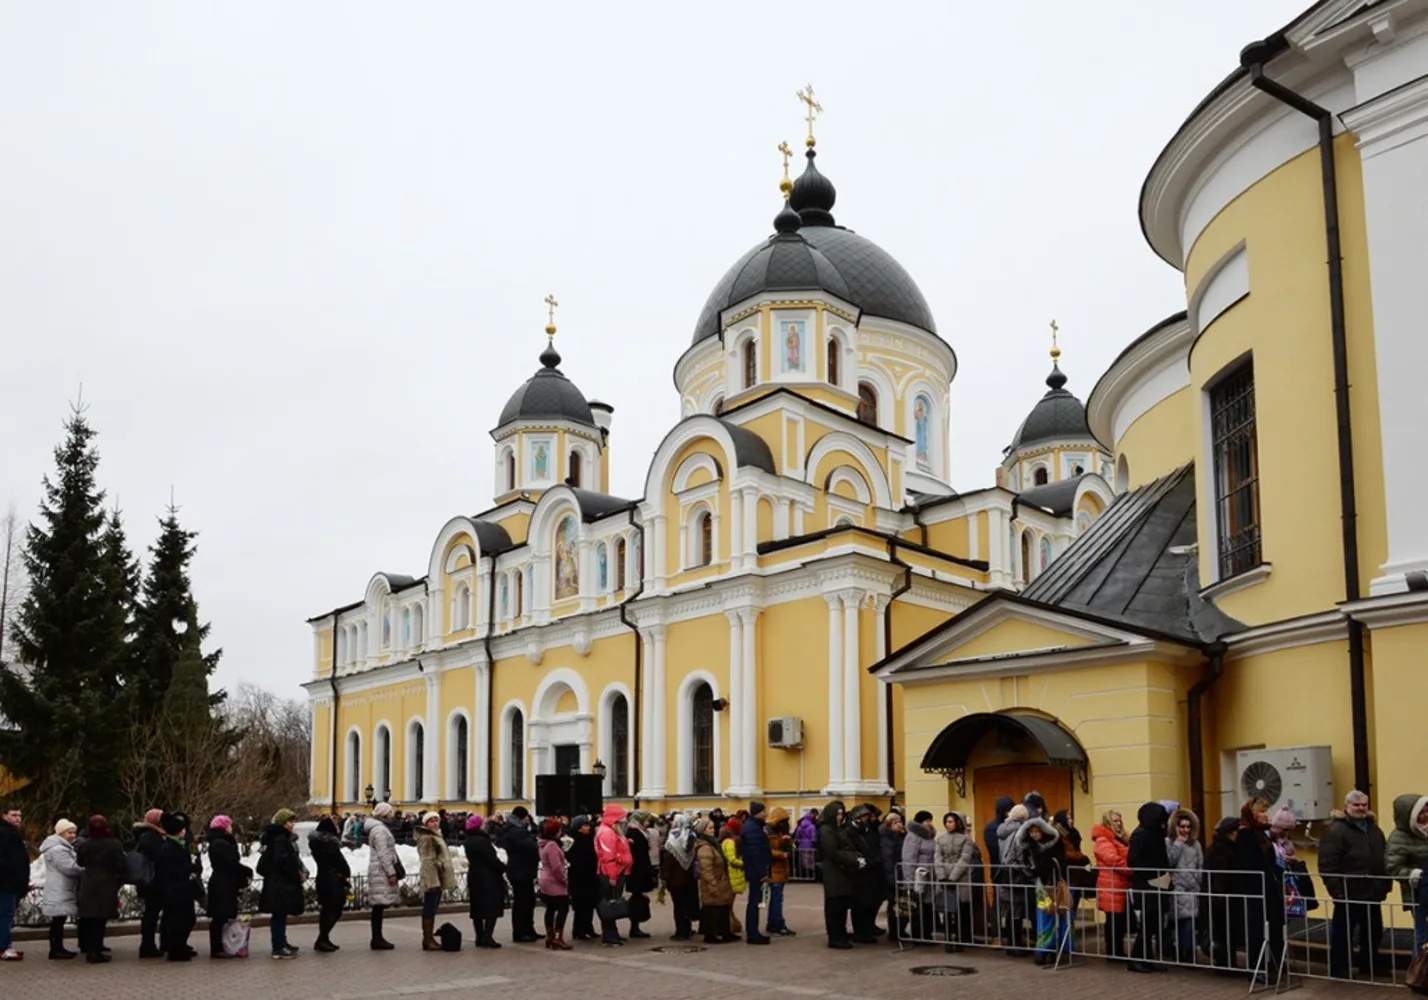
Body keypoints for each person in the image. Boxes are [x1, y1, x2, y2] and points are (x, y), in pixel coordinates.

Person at [1319, 789, 1389, 980]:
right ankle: (1339, 970)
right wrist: (1337, 891)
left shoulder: (1374, 830)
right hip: (1348, 893)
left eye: (1364, 805)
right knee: (1343, 935)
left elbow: (1383, 857)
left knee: (1373, 932)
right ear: (1346, 806)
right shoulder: (1335, 831)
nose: (1360, 808)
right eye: (1356, 805)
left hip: (1372, 892)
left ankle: (1369, 965)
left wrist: (1385, 885)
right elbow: (1327, 864)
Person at [1234, 798, 1283, 983]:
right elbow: (1247, 865)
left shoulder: (1263, 834)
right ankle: (1257, 968)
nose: (1266, 815)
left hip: (1269, 889)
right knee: (1257, 931)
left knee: (1273, 928)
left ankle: (1274, 965)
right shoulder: (1246, 835)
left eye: (1266, 811)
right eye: (1262, 811)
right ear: (1253, 814)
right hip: (1255, 891)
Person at [74, 815, 126, 963]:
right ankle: (96, 950)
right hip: (107, 882)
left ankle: (88, 947)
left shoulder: (85, 844)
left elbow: (80, 862)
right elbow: (120, 864)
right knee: (100, 918)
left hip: (89, 881)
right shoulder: (114, 844)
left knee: (89, 917)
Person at [258, 808, 304, 960]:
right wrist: (296, 875)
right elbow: (283, 862)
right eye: (289, 822)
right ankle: (278, 946)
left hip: (278, 883)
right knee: (278, 915)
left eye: (293, 822)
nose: (292, 825)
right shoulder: (279, 840)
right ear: (282, 823)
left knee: (281, 915)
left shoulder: (278, 838)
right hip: (279, 884)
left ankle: (282, 942)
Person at [816, 799, 862, 949]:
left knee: (842, 905)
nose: (840, 817)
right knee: (835, 906)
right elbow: (832, 852)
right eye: (838, 814)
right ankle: (835, 936)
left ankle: (840, 933)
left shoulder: (836, 829)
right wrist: (853, 859)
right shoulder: (826, 830)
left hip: (841, 872)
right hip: (834, 873)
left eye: (842, 814)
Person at [1386, 792, 1428, 951]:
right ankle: (1418, 973)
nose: (1425, 816)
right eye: (1420, 813)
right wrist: (1416, 875)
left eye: (1426, 811)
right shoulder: (1399, 838)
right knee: (1423, 937)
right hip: (1418, 894)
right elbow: (1393, 867)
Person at [155, 812, 199, 962]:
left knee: (185, 918)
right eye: (182, 829)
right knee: (178, 920)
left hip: (181, 889)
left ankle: (179, 946)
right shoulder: (169, 848)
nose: (185, 832)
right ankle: (175, 949)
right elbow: (170, 871)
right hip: (175, 890)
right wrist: (189, 868)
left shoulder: (178, 845)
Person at [206, 815, 251, 958]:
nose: (231, 828)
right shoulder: (221, 844)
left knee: (224, 916)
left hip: (225, 882)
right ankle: (217, 948)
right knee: (220, 917)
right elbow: (231, 863)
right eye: (229, 825)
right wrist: (246, 871)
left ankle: (224, 945)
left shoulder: (220, 842)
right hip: (223, 884)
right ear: (224, 827)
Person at [1205, 815, 1245, 970]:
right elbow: (1220, 875)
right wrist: (1219, 894)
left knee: (1227, 931)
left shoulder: (1221, 847)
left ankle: (1228, 962)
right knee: (1223, 931)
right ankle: (1224, 964)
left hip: (1223, 895)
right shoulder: (1221, 850)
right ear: (1230, 832)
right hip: (1222, 895)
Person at [1092, 811, 1132, 959]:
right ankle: (1114, 951)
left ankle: (1117, 950)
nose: (1118, 823)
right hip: (1111, 885)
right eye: (1115, 821)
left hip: (1120, 884)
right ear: (1107, 823)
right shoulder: (1103, 840)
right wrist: (1131, 870)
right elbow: (1113, 860)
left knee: (1119, 921)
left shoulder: (1121, 838)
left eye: (1119, 820)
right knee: (1114, 921)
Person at [464, 814, 507, 948]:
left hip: (474, 876)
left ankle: (479, 936)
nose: (485, 826)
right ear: (478, 826)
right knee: (491, 907)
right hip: (488, 877)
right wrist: (503, 868)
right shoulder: (482, 841)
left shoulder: (469, 840)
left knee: (477, 908)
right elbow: (491, 860)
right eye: (482, 824)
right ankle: (487, 936)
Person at [40, 818, 80, 959]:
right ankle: (56, 949)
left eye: (74, 832)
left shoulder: (59, 847)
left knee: (59, 921)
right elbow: (69, 868)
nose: (73, 835)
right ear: (61, 833)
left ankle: (58, 948)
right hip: (60, 888)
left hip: (59, 887)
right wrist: (85, 870)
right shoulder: (58, 850)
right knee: (58, 921)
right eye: (69, 832)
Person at [1167, 808, 1204, 965]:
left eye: (1188, 827)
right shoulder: (1169, 842)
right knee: (1182, 923)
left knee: (1189, 924)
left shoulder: (1196, 845)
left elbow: (1200, 865)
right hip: (1178, 889)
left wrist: (1199, 882)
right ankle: (1183, 955)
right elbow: (1170, 861)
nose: (1185, 830)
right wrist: (1178, 843)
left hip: (1193, 890)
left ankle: (1188, 955)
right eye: (1182, 826)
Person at [997, 802, 1033, 956]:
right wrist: (1028, 871)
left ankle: (1012, 943)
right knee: (1017, 911)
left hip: (1005, 874)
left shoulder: (1003, 830)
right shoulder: (1019, 832)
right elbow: (1017, 856)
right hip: (1016, 876)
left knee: (1010, 911)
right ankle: (1015, 945)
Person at [694, 816, 737, 944]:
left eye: (713, 828)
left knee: (723, 906)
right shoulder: (705, 847)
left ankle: (725, 932)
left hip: (720, 880)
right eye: (710, 828)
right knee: (712, 908)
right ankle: (711, 935)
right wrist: (712, 884)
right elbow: (706, 869)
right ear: (703, 830)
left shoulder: (713, 844)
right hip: (713, 882)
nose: (713, 830)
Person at [415, 810, 453, 951]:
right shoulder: (427, 838)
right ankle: (428, 938)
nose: (435, 823)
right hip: (432, 876)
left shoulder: (436, 835)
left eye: (436, 820)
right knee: (429, 907)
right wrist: (440, 864)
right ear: (426, 823)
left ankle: (429, 938)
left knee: (433, 906)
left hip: (437, 875)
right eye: (431, 821)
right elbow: (427, 859)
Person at [595, 803, 633, 946]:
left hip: (617, 872)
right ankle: (609, 936)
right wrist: (612, 876)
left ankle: (612, 933)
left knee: (613, 903)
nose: (623, 822)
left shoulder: (611, 831)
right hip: (611, 874)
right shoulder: (606, 833)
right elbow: (608, 857)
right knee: (609, 905)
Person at [503, 806, 541, 943]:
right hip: (520, 872)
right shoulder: (516, 832)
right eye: (526, 818)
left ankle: (529, 930)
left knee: (528, 901)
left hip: (522, 871)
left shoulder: (515, 830)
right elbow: (532, 847)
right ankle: (520, 932)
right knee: (522, 903)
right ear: (522, 817)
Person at [133, 807, 166, 958]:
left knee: (151, 913)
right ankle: (148, 946)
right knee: (151, 913)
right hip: (153, 881)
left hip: (150, 880)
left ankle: (149, 945)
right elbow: (159, 857)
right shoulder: (152, 837)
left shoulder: (146, 835)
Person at [366, 802, 401, 950]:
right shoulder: (379, 830)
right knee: (378, 906)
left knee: (379, 906)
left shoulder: (378, 828)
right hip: (380, 871)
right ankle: (376, 938)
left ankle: (377, 937)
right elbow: (383, 853)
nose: (392, 816)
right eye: (390, 813)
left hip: (379, 870)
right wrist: (391, 872)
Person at [661, 814, 699, 941]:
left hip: (676, 880)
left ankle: (681, 931)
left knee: (679, 906)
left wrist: (664, 877)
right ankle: (688, 928)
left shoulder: (673, 839)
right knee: (687, 904)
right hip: (689, 879)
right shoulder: (690, 837)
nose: (672, 823)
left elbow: (668, 861)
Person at [901, 810, 938, 944]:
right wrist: (910, 881)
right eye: (926, 821)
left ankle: (927, 933)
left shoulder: (929, 837)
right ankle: (918, 935)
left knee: (927, 905)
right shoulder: (913, 837)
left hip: (929, 876)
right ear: (920, 822)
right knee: (918, 907)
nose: (929, 823)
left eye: (930, 820)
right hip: (918, 877)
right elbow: (908, 859)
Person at [740, 802, 772, 944]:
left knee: (756, 901)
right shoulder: (753, 829)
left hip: (754, 870)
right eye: (763, 811)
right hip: (755, 872)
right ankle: (752, 933)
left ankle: (754, 931)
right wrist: (762, 871)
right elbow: (755, 852)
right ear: (757, 812)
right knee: (754, 902)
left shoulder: (753, 826)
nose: (766, 814)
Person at [538, 817, 572, 949]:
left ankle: (550, 936)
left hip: (545, 878)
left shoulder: (542, 843)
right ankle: (558, 938)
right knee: (563, 908)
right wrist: (564, 880)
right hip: (554, 881)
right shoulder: (552, 845)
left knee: (551, 908)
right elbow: (556, 867)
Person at [566, 815, 600, 941]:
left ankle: (589, 928)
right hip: (578, 877)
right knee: (580, 905)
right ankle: (579, 930)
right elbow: (568, 858)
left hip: (590, 876)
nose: (588, 827)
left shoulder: (590, 839)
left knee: (590, 904)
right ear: (578, 828)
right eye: (585, 825)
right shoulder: (572, 841)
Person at [625, 810, 657, 939]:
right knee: (637, 899)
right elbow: (636, 853)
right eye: (646, 820)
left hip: (640, 869)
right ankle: (634, 927)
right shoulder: (633, 832)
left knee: (638, 898)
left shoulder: (640, 831)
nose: (648, 822)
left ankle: (636, 926)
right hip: (636, 871)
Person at [766, 807, 796, 936]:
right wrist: (781, 854)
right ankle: (778, 924)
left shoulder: (779, 832)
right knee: (776, 899)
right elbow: (768, 850)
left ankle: (773, 923)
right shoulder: (769, 833)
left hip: (780, 869)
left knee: (776, 898)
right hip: (773, 870)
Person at [879, 811, 907, 942]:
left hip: (902, 874)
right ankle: (894, 932)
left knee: (903, 904)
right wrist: (891, 878)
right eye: (895, 823)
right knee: (894, 905)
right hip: (893, 875)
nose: (899, 825)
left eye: (900, 822)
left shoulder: (901, 836)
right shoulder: (887, 839)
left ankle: (901, 930)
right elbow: (887, 859)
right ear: (889, 825)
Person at [795, 808, 818, 880]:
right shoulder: (812, 827)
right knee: (810, 861)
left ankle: (803, 875)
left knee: (803, 861)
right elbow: (813, 838)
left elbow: (797, 836)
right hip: (809, 845)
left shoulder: (800, 826)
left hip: (802, 845)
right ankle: (810, 876)